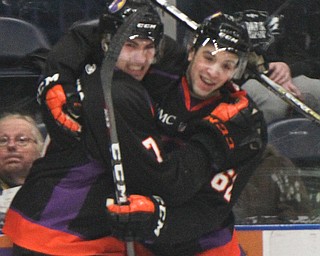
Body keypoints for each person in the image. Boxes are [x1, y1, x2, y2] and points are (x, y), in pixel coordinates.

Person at [4, 2, 266, 256]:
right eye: (208, 57)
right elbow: (94, 32)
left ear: (238, 71)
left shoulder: (245, 125)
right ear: (190, 51)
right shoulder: (148, 74)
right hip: (98, 233)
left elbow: (211, 208)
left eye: (227, 65)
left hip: (198, 243)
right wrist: (57, 73)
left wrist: (159, 221)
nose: (212, 72)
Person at [176, 0, 320, 124]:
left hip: (278, 76)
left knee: (316, 90)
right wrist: (261, 69)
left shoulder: (284, 4)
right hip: (236, 77)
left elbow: (296, 49)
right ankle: (260, 154)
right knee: (272, 103)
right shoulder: (209, 4)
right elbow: (213, 55)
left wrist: (286, 69)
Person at [0, 112, 44, 230]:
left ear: (40, 149)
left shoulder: (56, 189)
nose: (11, 145)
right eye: (2, 141)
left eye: (22, 140)